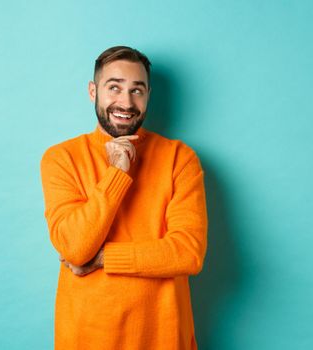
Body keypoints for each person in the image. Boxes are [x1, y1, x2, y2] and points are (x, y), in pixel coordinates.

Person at [40, 45, 208, 350]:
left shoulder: (179, 158)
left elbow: (188, 252)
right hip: (88, 337)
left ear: (147, 96)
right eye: (114, 87)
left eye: (137, 90)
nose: (126, 102)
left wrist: (103, 259)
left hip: (163, 337)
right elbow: (77, 248)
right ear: (93, 91)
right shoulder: (61, 158)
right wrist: (118, 172)